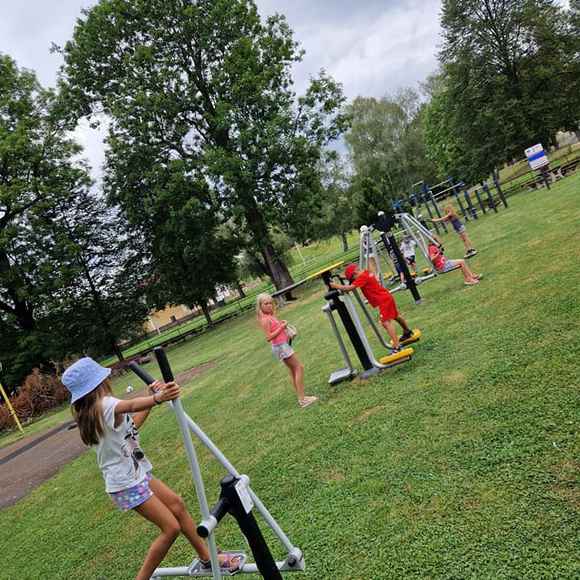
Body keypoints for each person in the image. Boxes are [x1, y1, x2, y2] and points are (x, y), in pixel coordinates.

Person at [61, 357, 242, 580]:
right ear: (99, 384)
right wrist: (157, 398)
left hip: (136, 473)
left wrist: (150, 399)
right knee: (171, 528)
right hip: (126, 483)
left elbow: (132, 426)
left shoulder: (95, 412)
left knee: (177, 504)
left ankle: (207, 557)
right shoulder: (105, 405)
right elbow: (131, 405)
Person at [330, 263, 416, 352]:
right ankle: (407, 331)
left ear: (355, 274)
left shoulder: (362, 277)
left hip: (383, 301)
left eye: (353, 279)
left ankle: (397, 346)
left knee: (385, 322)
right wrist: (344, 277)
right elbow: (355, 277)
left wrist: (335, 286)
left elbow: (349, 288)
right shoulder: (366, 273)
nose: (354, 280)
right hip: (386, 297)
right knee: (395, 316)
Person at [256, 293, 318, 408]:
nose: (269, 305)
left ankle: (301, 396)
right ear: (260, 306)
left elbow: (276, 329)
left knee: (293, 370)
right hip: (280, 347)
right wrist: (281, 327)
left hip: (282, 345)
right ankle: (302, 399)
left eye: (270, 303)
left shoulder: (270, 315)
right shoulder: (265, 320)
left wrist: (282, 326)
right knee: (299, 367)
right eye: (266, 304)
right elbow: (268, 337)